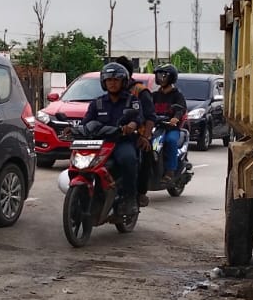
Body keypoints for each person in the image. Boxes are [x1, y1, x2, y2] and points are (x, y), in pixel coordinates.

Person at [78, 61, 143, 212]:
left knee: (128, 159)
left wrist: (131, 125)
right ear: (103, 82)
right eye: (109, 80)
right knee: (81, 163)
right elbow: (86, 121)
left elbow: (137, 118)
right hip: (99, 144)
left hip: (121, 142)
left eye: (116, 80)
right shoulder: (97, 103)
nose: (112, 83)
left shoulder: (131, 100)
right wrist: (75, 129)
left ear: (123, 82)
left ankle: (130, 198)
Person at [113, 56, 157, 205]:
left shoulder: (140, 92)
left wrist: (145, 136)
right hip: (111, 135)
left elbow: (150, 117)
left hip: (137, 134)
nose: (112, 80)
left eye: (116, 75)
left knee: (144, 152)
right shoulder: (109, 93)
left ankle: (139, 193)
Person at [150, 63, 189, 189]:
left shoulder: (177, 95)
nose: (160, 78)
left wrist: (175, 118)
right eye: (159, 75)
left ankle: (170, 171)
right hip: (156, 127)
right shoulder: (154, 95)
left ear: (171, 77)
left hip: (171, 128)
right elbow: (147, 108)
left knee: (170, 141)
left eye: (164, 75)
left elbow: (181, 108)